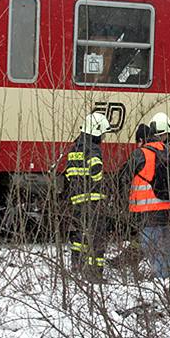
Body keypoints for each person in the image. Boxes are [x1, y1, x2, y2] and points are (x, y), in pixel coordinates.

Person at [128, 115, 170, 279]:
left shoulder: (141, 153)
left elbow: (124, 176)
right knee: (169, 246)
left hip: (149, 208)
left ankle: (160, 280)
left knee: (152, 246)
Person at [65, 112, 112, 283]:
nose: (103, 138)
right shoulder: (93, 148)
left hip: (78, 200)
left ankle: (76, 266)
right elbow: (96, 168)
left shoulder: (74, 148)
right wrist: (101, 183)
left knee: (80, 235)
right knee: (97, 237)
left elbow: (69, 174)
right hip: (93, 200)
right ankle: (95, 274)